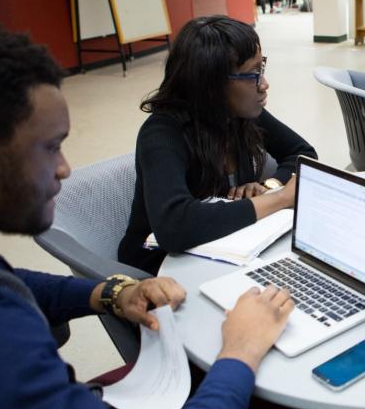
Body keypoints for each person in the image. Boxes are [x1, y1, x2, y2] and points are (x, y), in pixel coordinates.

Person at [0, 14, 294, 409]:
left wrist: (103, 293)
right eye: (50, 147)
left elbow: (9, 280)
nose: (66, 169)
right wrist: (240, 352)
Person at [119, 15, 316, 275]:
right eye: (252, 74)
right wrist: (279, 199)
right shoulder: (162, 133)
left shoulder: (239, 113)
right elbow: (174, 226)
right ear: (212, 83)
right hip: (159, 274)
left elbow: (303, 153)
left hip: (225, 253)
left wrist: (270, 186)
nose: (264, 84)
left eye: (262, 68)